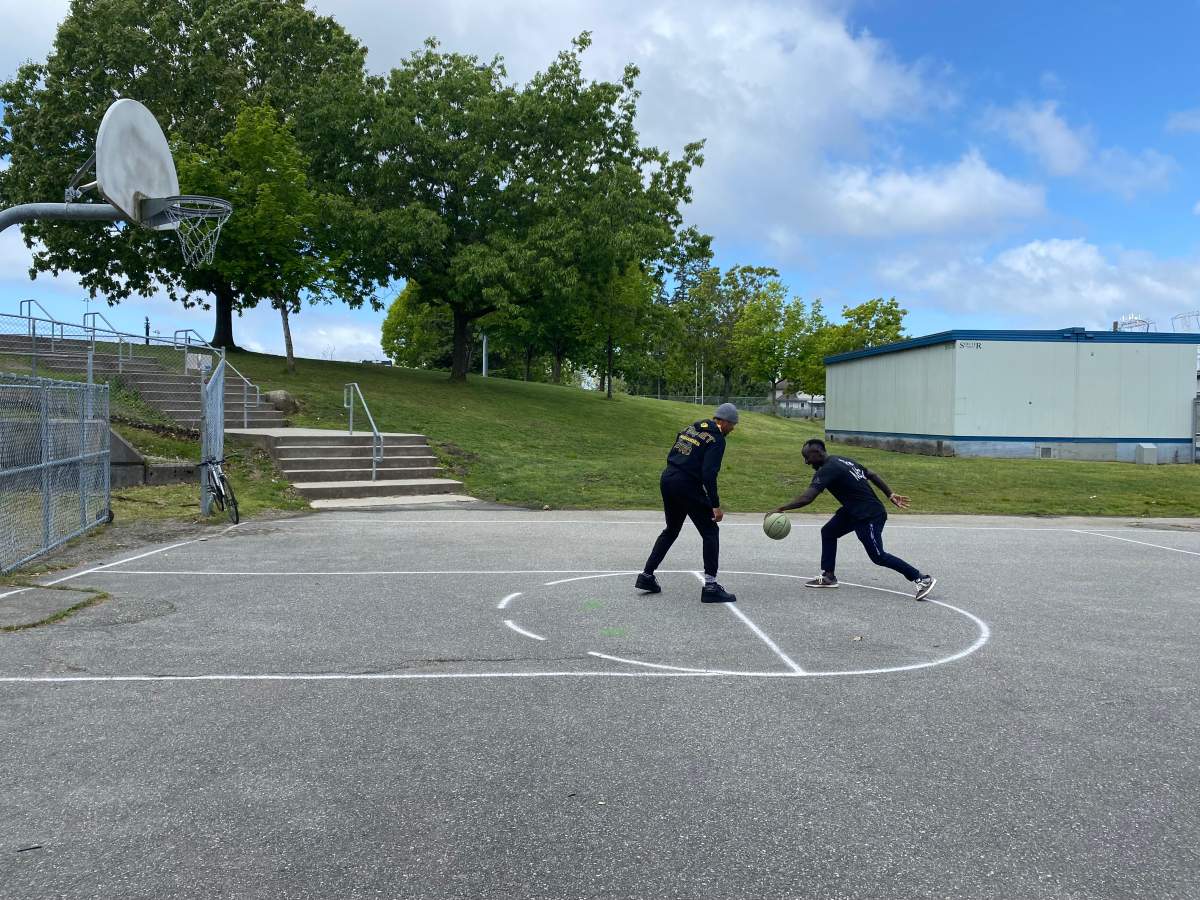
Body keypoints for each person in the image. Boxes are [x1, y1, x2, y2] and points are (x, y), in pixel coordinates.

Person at [772, 438, 936, 601]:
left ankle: (921, 579)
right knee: (828, 532)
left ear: (817, 452)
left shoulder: (828, 469)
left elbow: (807, 498)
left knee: (878, 556)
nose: (806, 462)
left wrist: (780, 509)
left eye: (807, 457)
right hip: (853, 511)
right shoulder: (843, 460)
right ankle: (829, 576)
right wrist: (890, 494)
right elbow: (872, 474)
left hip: (869, 515)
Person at [636, 403, 739, 603]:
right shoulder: (717, 439)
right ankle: (711, 587)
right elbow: (709, 473)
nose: (733, 429)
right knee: (710, 531)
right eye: (733, 424)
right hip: (687, 484)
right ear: (725, 421)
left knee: (671, 530)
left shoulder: (692, 428)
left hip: (668, 478)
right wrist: (715, 505)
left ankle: (646, 576)